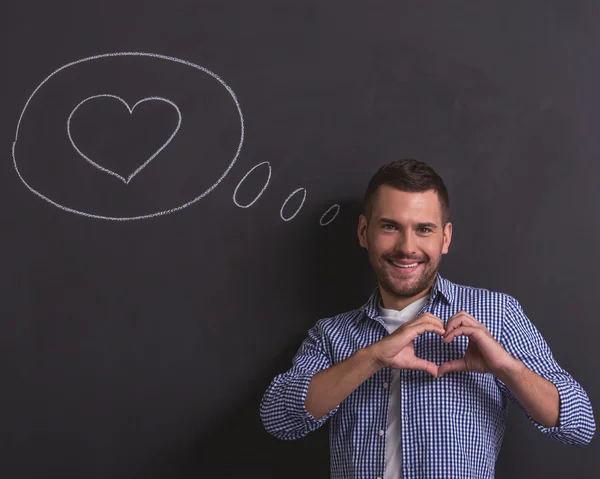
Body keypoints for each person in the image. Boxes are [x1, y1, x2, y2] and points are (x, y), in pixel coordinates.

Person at [259, 159, 596, 479]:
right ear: (364, 232)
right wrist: (372, 358)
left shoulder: (497, 314)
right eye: (390, 226)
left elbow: (579, 425)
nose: (407, 247)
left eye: (424, 229)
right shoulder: (332, 334)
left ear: (444, 238)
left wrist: (506, 369)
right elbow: (279, 420)